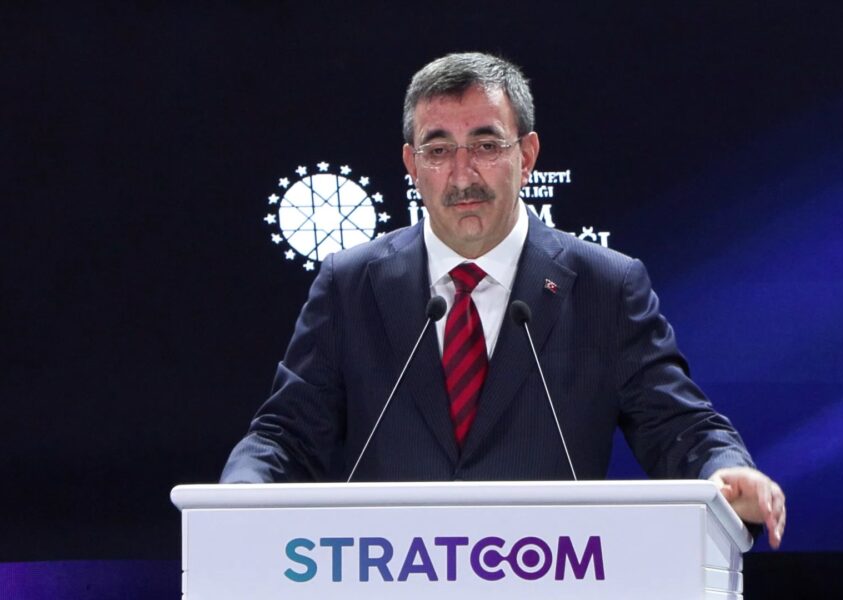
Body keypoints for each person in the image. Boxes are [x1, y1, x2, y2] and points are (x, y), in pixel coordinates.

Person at [222, 52, 786, 549]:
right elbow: (286, 436)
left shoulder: (606, 286)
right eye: (438, 149)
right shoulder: (351, 285)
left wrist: (724, 470)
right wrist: (239, 494)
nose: (461, 174)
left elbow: (678, 427)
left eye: (486, 145)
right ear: (412, 165)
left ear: (528, 155)